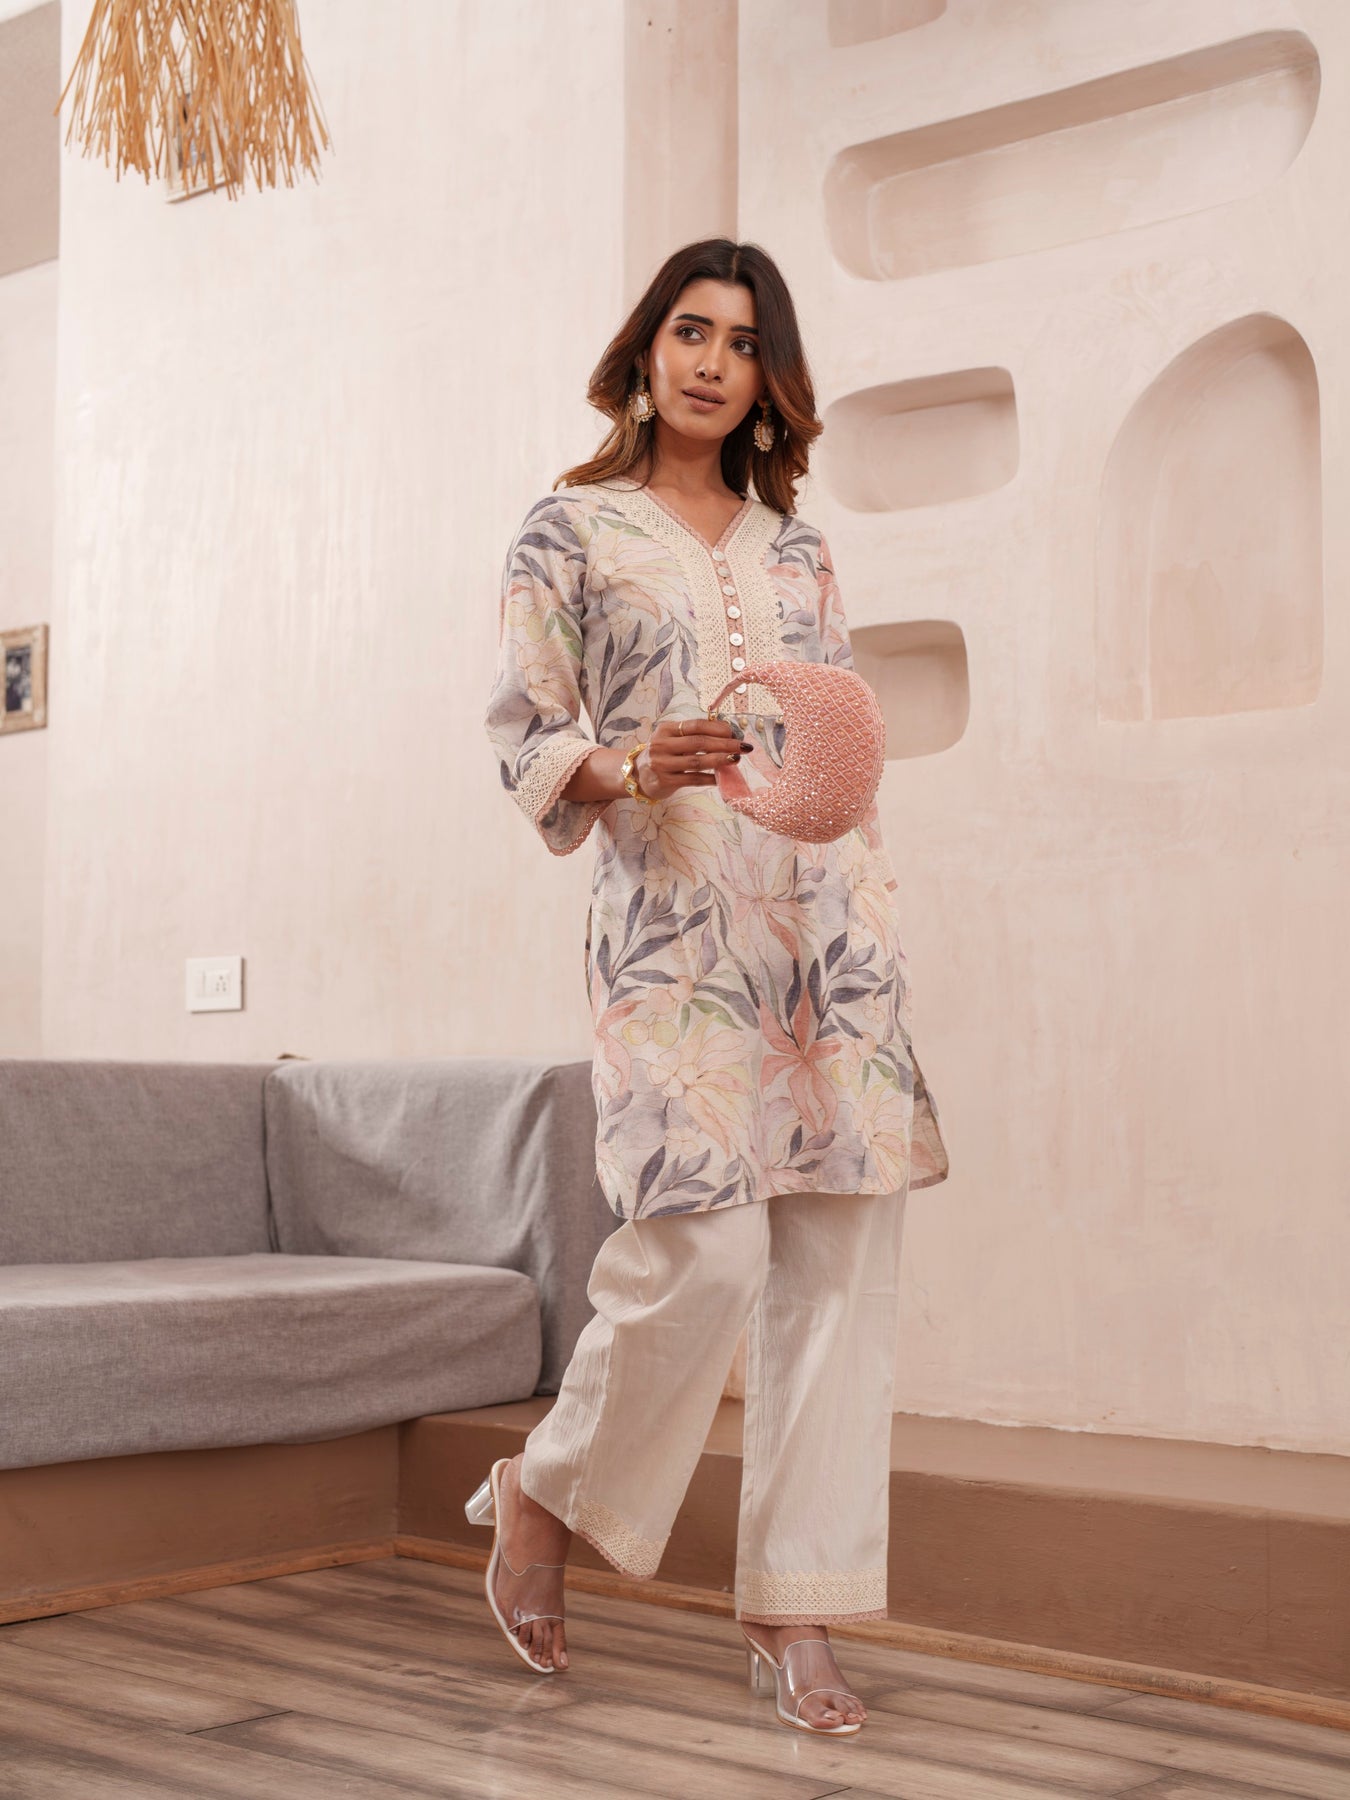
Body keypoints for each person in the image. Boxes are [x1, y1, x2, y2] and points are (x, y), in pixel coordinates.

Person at [478, 237, 950, 1735]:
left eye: (743, 344)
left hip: (823, 930)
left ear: (768, 380)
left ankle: (799, 1605)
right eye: (691, 331)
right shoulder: (568, 529)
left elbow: (833, 734)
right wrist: (631, 763)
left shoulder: (797, 551)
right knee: (706, 1250)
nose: (711, 363)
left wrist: (861, 905)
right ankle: (544, 1495)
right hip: (671, 927)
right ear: (646, 350)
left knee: (840, 1262)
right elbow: (524, 730)